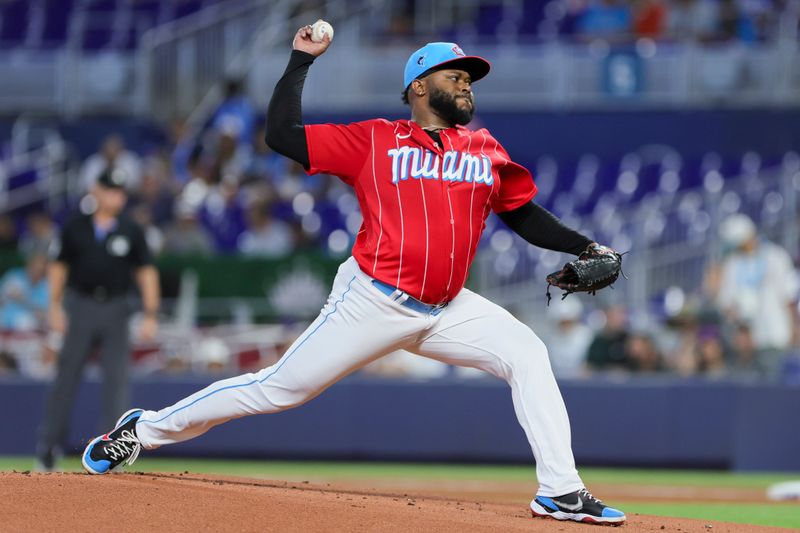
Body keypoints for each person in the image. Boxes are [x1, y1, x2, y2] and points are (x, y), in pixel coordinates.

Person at [80, 30, 626, 526]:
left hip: (448, 308)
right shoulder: (375, 141)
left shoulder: (483, 149)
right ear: (417, 87)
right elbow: (282, 135)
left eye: (468, 79)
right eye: (454, 76)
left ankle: (560, 490)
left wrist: (585, 247)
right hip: (373, 301)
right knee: (276, 390)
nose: (465, 86)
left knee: (527, 353)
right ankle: (141, 430)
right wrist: (300, 60)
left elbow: (522, 214)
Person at [36, 167, 160, 471]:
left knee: (117, 381)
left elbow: (146, 271)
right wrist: (53, 306)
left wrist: (150, 313)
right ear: (96, 190)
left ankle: (112, 451)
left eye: (120, 192)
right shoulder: (75, 226)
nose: (117, 196)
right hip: (81, 305)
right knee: (66, 378)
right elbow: (58, 267)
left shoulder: (131, 229)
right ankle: (50, 447)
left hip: (117, 308)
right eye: (111, 190)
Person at [715, 214, 799, 380]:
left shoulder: (776, 256)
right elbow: (726, 303)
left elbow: (788, 297)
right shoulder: (733, 264)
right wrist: (740, 327)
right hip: (746, 344)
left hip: (776, 336)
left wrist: (794, 329)